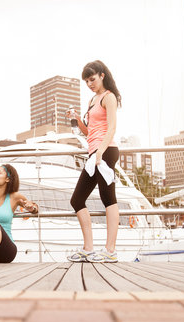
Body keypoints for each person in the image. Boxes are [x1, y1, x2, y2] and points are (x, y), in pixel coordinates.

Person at [67, 60, 121, 263]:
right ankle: (88, 249)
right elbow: (91, 132)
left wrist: (100, 152)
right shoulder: (93, 100)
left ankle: (110, 251)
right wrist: (78, 120)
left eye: (92, 79)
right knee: (77, 200)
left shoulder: (109, 97)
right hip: (94, 153)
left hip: (105, 152)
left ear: (102, 75)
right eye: (86, 81)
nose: (89, 83)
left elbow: (112, 128)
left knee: (108, 198)